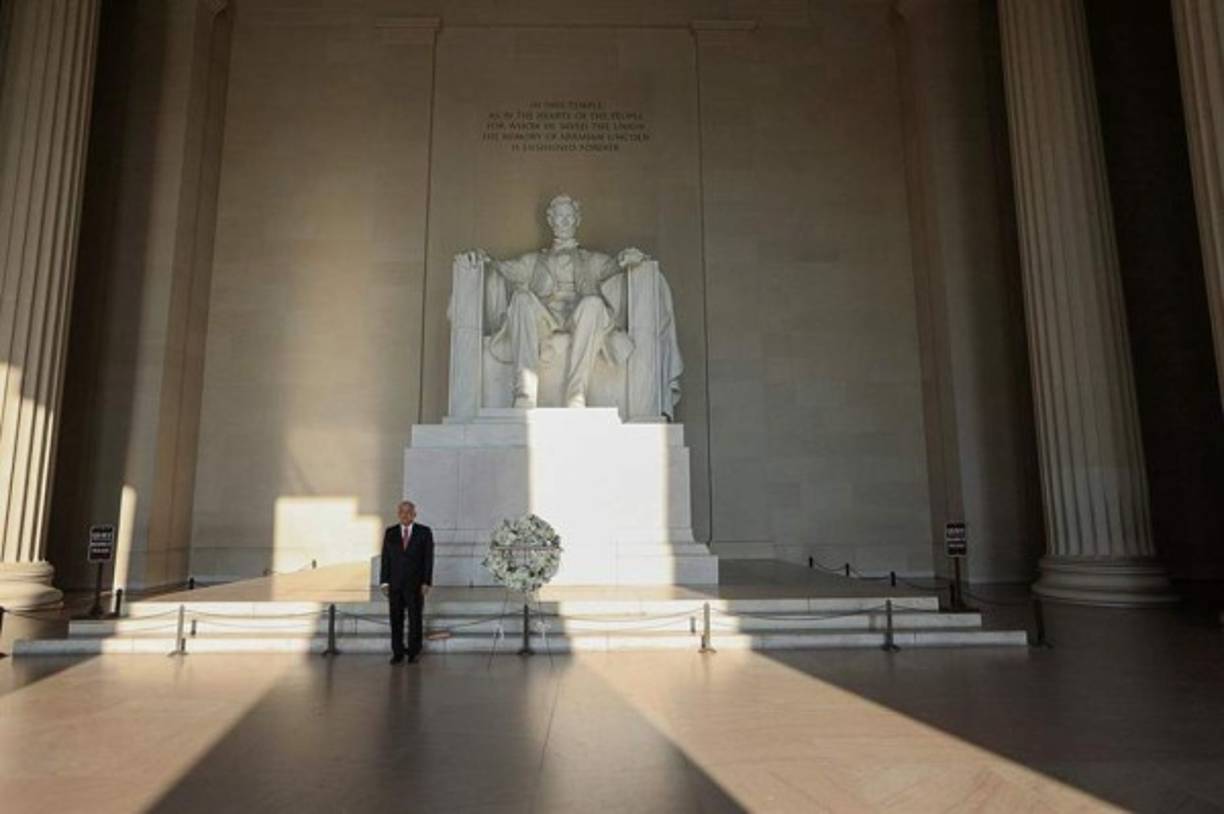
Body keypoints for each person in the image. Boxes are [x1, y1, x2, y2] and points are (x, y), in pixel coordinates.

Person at [461, 195, 647, 408]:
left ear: (577, 220)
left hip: (578, 316)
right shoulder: (534, 261)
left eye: (569, 216)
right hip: (545, 318)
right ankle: (524, 390)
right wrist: (485, 259)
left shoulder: (591, 260)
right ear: (551, 221)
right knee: (521, 298)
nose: (565, 222)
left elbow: (613, 265)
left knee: (594, 304)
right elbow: (506, 269)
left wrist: (627, 258)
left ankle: (577, 393)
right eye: (560, 217)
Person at [379, 500, 434, 664]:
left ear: (414, 514)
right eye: (402, 512)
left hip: (416, 584)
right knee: (396, 619)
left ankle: (413, 652)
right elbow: (385, 559)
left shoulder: (424, 532)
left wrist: (426, 581)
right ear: (398, 514)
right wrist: (384, 582)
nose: (405, 515)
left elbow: (428, 559)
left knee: (415, 618)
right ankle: (397, 652)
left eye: (409, 512)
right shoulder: (390, 532)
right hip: (395, 584)